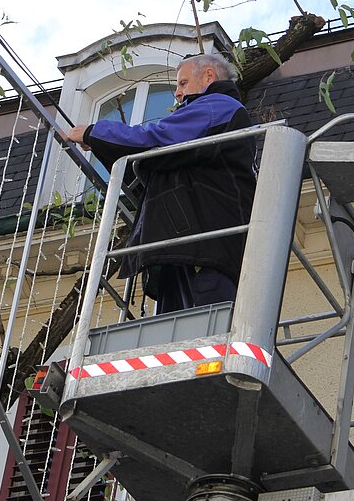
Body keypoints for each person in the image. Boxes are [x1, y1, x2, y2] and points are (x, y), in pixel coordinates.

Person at [65, 53, 256, 313]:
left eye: (183, 83)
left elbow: (156, 138)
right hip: (186, 249)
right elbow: (148, 168)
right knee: (189, 337)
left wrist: (94, 132)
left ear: (209, 76)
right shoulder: (214, 114)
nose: (177, 94)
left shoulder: (217, 105)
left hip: (203, 250)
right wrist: (102, 144)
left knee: (205, 330)